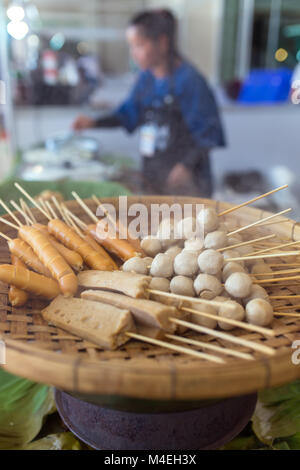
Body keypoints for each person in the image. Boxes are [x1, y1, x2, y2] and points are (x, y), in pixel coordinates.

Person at [73, 9, 225, 196]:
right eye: (131, 46)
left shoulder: (190, 81)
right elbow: (128, 113)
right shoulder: (146, 79)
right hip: (154, 176)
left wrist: (185, 167)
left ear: (162, 43)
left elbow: (208, 134)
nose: (133, 54)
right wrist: (94, 122)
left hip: (188, 185)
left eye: (139, 45)